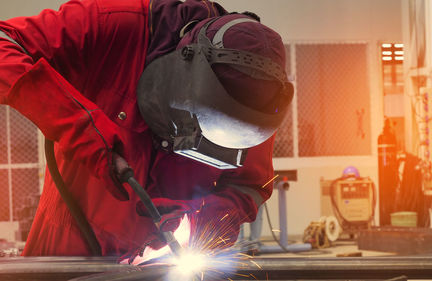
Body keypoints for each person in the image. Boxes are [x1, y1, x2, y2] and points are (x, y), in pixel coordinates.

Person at [0, 0, 292, 262]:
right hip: (65, 255)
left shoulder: (255, 97)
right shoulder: (113, 25)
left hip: (160, 266)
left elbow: (251, 185)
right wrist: (82, 128)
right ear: (183, 69)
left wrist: (204, 221)